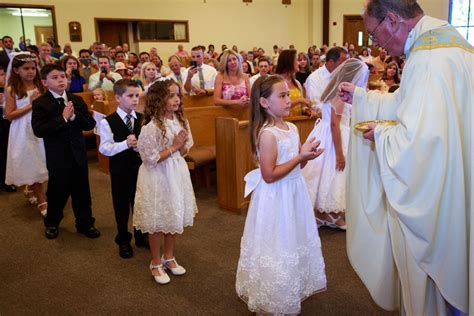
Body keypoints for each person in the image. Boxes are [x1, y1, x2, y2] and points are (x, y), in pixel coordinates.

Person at [338, 1, 472, 314]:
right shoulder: (451, 44)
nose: (377, 45)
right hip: (462, 178)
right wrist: (363, 98)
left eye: (374, 35)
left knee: (433, 289)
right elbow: (410, 104)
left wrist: (381, 134)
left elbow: (419, 145)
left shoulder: (427, 60)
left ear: (394, 20)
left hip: (436, 196)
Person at [236, 75, 326, 314]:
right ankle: (270, 297)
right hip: (276, 197)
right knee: (276, 244)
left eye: (289, 94)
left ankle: (288, 290)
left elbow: (297, 167)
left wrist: (305, 156)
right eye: (283, 95)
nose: (290, 100)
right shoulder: (267, 134)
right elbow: (269, 175)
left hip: (294, 193)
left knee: (292, 242)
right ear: (265, 103)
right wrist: (300, 157)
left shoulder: (292, 127)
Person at [133, 79, 198, 285]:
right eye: (171, 95)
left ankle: (168, 257)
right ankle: (155, 262)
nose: (177, 99)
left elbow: (186, 148)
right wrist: (174, 146)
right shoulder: (150, 127)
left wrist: (181, 147)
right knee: (157, 219)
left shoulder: (181, 121)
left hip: (176, 172)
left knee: (172, 215)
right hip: (157, 175)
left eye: (178, 95)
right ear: (159, 99)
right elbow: (149, 158)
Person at [32, 63, 100, 240]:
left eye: (63, 76)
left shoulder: (75, 100)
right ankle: (52, 223)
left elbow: (90, 124)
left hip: (78, 153)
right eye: (55, 78)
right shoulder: (41, 103)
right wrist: (62, 118)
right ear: (45, 82)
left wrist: (74, 117)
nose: (61, 80)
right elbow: (39, 130)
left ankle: (85, 223)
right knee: (57, 191)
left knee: (82, 191)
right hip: (57, 156)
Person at [302, 58, 369, 230]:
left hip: (322, 133)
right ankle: (332, 214)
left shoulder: (332, 87)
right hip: (334, 136)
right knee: (335, 171)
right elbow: (334, 124)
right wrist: (339, 153)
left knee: (323, 174)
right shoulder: (340, 93)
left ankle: (323, 212)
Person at [99, 79, 149, 258]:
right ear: (118, 98)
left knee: (139, 204)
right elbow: (104, 148)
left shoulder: (141, 119)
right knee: (121, 205)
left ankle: (141, 235)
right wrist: (125, 145)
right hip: (120, 170)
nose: (135, 99)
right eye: (130, 96)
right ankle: (123, 240)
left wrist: (138, 147)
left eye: (137, 95)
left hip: (139, 169)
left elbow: (145, 145)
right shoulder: (108, 122)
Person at [4, 54, 48, 216]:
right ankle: (43, 200)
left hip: (40, 127)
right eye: (26, 68)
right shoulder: (13, 89)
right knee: (31, 162)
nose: (30, 72)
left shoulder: (41, 86)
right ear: (16, 70)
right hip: (23, 129)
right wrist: (31, 104)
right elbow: (9, 115)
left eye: (33, 68)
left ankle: (30, 188)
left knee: (41, 161)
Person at [274, 49, 315, 117]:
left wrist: (307, 111)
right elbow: (278, 106)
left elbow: (301, 107)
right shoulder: (275, 82)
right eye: (296, 60)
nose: (298, 63)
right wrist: (300, 100)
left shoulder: (297, 83)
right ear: (288, 62)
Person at [305, 46, 347, 111]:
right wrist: (338, 110)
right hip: (323, 118)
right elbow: (315, 105)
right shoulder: (314, 78)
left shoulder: (344, 76)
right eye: (342, 63)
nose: (345, 66)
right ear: (331, 62)